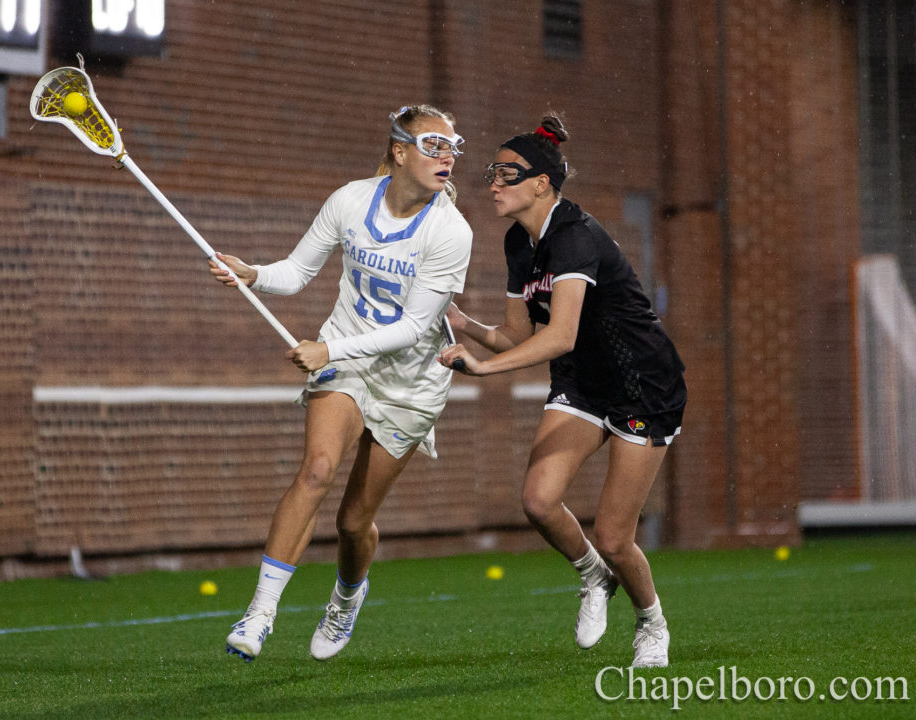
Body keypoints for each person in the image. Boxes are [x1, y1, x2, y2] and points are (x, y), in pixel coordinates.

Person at [209, 105, 472, 662]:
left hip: (409, 383)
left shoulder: (451, 232)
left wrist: (327, 350)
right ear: (399, 151)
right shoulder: (350, 200)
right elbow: (298, 271)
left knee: (354, 522)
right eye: (433, 145)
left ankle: (347, 596)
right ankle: (259, 614)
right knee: (318, 468)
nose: (447, 156)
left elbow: (413, 329)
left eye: (453, 147)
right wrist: (253, 273)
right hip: (349, 358)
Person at [438, 114, 686, 668]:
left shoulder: (575, 238)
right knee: (538, 501)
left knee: (617, 535)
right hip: (582, 383)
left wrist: (482, 369)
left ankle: (652, 623)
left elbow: (561, 334)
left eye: (508, 174)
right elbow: (517, 334)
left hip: (642, 386)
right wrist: (461, 322)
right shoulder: (517, 243)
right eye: (493, 173)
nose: (494, 183)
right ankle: (594, 577)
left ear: (542, 183)